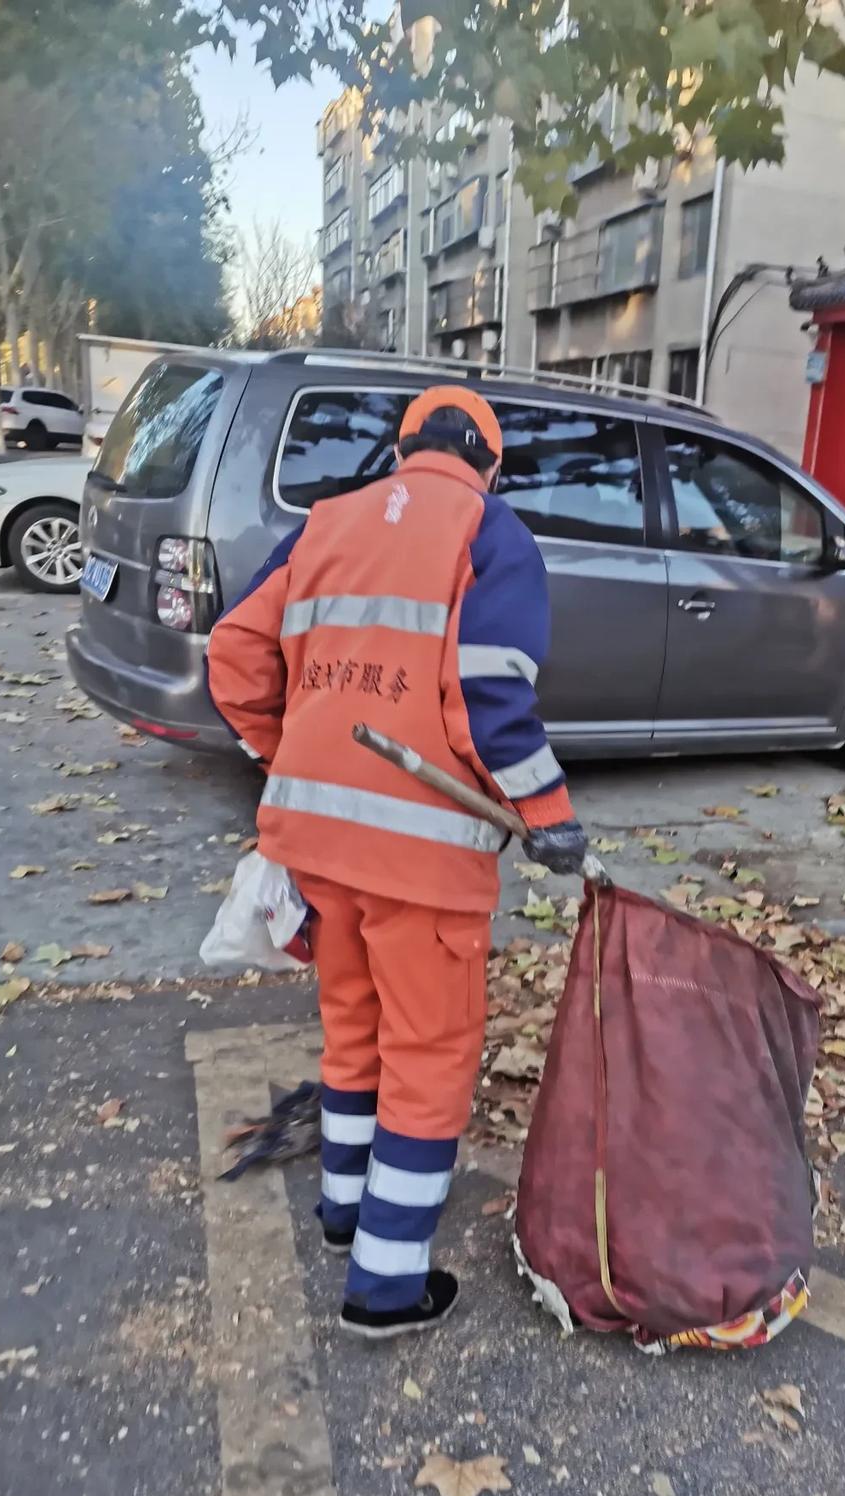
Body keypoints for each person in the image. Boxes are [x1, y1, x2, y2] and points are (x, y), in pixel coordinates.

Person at [205, 385, 587, 1339]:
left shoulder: (323, 524)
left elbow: (235, 652)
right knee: (429, 1057)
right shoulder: (491, 535)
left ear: (403, 448)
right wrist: (547, 814)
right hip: (423, 862)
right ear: (489, 465)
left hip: (319, 846)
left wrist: (284, 748)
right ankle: (384, 1285)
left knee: (354, 1030)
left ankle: (345, 1213)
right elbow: (491, 699)